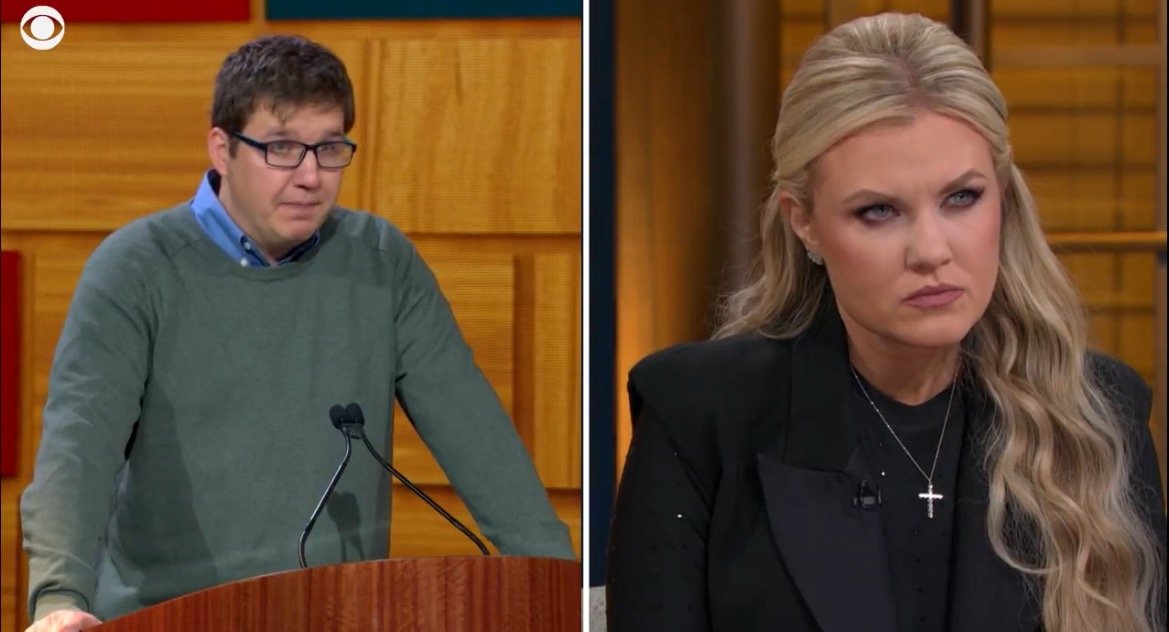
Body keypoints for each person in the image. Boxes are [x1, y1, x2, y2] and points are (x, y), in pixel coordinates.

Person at [606, 12, 1165, 632]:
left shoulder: (1100, 416)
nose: (930, 250)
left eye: (962, 198)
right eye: (878, 211)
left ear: (1003, 195)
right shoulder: (698, 416)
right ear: (804, 221)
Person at [21, 34, 574, 632]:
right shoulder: (136, 268)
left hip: (338, 613)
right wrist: (58, 597)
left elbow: (476, 435)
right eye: (282, 148)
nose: (312, 176)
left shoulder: (381, 261)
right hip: (168, 616)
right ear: (222, 148)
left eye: (329, 148)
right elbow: (81, 446)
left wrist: (556, 585)